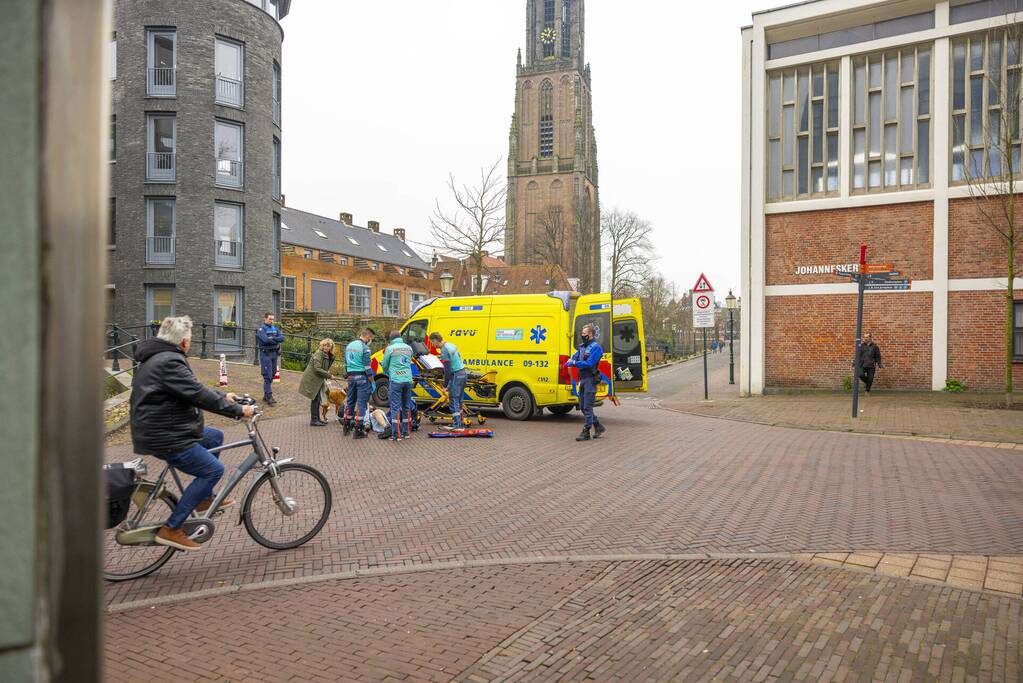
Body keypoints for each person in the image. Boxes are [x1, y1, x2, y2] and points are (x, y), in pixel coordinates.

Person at [129, 316, 256, 552]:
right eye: (190, 339)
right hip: (165, 434)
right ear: (184, 342)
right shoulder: (169, 362)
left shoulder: (162, 357)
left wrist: (223, 395)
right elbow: (197, 394)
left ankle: (203, 497)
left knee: (214, 436)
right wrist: (239, 410)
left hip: (163, 427)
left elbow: (191, 387)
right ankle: (172, 528)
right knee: (213, 470)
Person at [566, 323, 606, 442]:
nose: (582, 335)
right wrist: (571, 360)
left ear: (591, 334)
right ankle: (598, 426)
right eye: (582, 333)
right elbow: (576, 357)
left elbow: (589, 363)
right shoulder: (582, 347)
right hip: (582, 379)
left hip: (590, 379)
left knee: (587, 407)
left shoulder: (596, 348)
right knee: (583, 407)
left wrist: (574, 363)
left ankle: (586, 431)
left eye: (584, 333)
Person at [429, 332, 467, 429]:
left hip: (456, 375)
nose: (433, 345)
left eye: (432, 343)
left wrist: (445, 386)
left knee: (453, 399)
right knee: (459, 400)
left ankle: (456, 425)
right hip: (463, 373)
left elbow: (447, 371)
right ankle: (460, 423)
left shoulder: (444, 351)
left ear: (435, 340)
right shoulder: (451, 345)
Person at [381, 330, 414, 441]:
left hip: (396, 380)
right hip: (408, 380)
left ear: (391, 339)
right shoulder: (409, 348)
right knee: (406, 406)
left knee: (395, 407)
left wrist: (387, 372)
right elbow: (409, 361)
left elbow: (385, 364)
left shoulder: (390, 348)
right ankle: (406, 433)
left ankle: (396, 435)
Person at [343, 329, 375, 439]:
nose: (370, 341)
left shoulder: (349, 346)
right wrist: (372, 380)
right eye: (370, 339)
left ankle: (346, 426)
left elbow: (346, 363)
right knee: (361, 403)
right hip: (362, 378)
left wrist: (348, 374)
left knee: (350, 401)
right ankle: (358, 429)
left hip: (351, 377)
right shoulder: (365, 348)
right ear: (368, 337)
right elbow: (367, 367)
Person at [299, 338, 335, 426]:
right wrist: (329, 375)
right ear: (322, 345)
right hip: (312, 379)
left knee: (317, 399)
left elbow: (325, 367)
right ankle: (314, 420)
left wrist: (327, 373)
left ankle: (317, 418)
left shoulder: (326, 354)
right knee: (315, 399)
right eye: (325, 345)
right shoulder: (319, 354)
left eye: (328, 346)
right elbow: (317, 369)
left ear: (331, 347)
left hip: (317, 379)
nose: (326, 347)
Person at [255, 312, 285, 406]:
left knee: (273, 373)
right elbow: (265, 340)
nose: (271, 321)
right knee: (267, 376)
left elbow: (282, 338)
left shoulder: (275, 328)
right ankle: (269, 396)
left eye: (272, 319)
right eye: (270, 319)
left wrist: (272, 338)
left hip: (274, 354)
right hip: (266, 354)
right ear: (265, 319)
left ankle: (265, 395)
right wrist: (276, 338)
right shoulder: (261, 329)